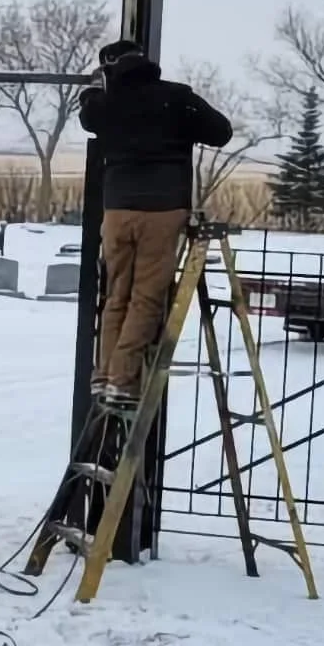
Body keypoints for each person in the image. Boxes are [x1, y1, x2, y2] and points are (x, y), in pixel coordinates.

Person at [79, 39, 232, 404]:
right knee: (146, 297)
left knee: (116, 294)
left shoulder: (105, 102)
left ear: (109, 69)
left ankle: (104, 374)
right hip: (163, 209)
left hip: (117, 209)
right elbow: (221, 132)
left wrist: (95, 89)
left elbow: (88, 117)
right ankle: (123, 379)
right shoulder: (177, 98)